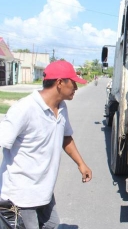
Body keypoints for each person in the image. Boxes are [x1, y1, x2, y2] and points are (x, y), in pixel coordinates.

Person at [0, 60, 92, 229]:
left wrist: (81, 164)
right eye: (73, 83)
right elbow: (3, 141)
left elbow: (66, 137)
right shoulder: (24, 109)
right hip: (22, 196)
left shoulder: (61, 107)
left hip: (44, 191)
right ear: (59, 83)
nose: (76, 88)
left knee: (52, 225)